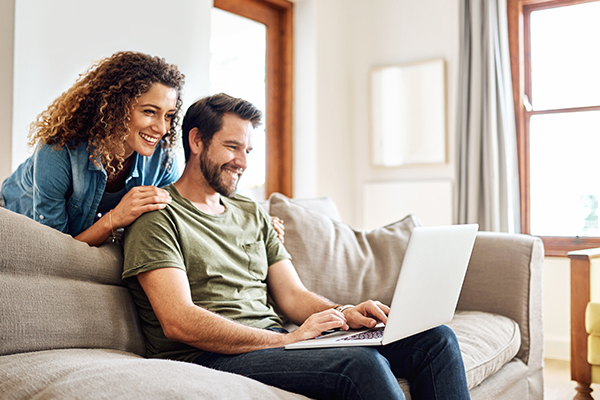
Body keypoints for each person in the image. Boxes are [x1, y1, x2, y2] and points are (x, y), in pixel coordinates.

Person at [122, 93, 471, 399]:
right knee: (360, 364)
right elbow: (179, 322)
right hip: (208, 355)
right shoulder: (158, 215)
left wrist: (344, 313)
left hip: (273, 340)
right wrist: (286, 341)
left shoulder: (249, 211)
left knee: (434, 339)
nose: (242, 162)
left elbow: (291, 294)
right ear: (196, 141)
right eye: (232, 147)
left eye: (247, 150)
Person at [0, 51, 184, 246]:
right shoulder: (58, 150)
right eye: (149, 111)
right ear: (117, 107)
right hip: (16, 220)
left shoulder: (163, 159)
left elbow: (176, 222)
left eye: (168, 115)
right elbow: (51, 251)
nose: (162, 128)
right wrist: (114, 219)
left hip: (80, 235)